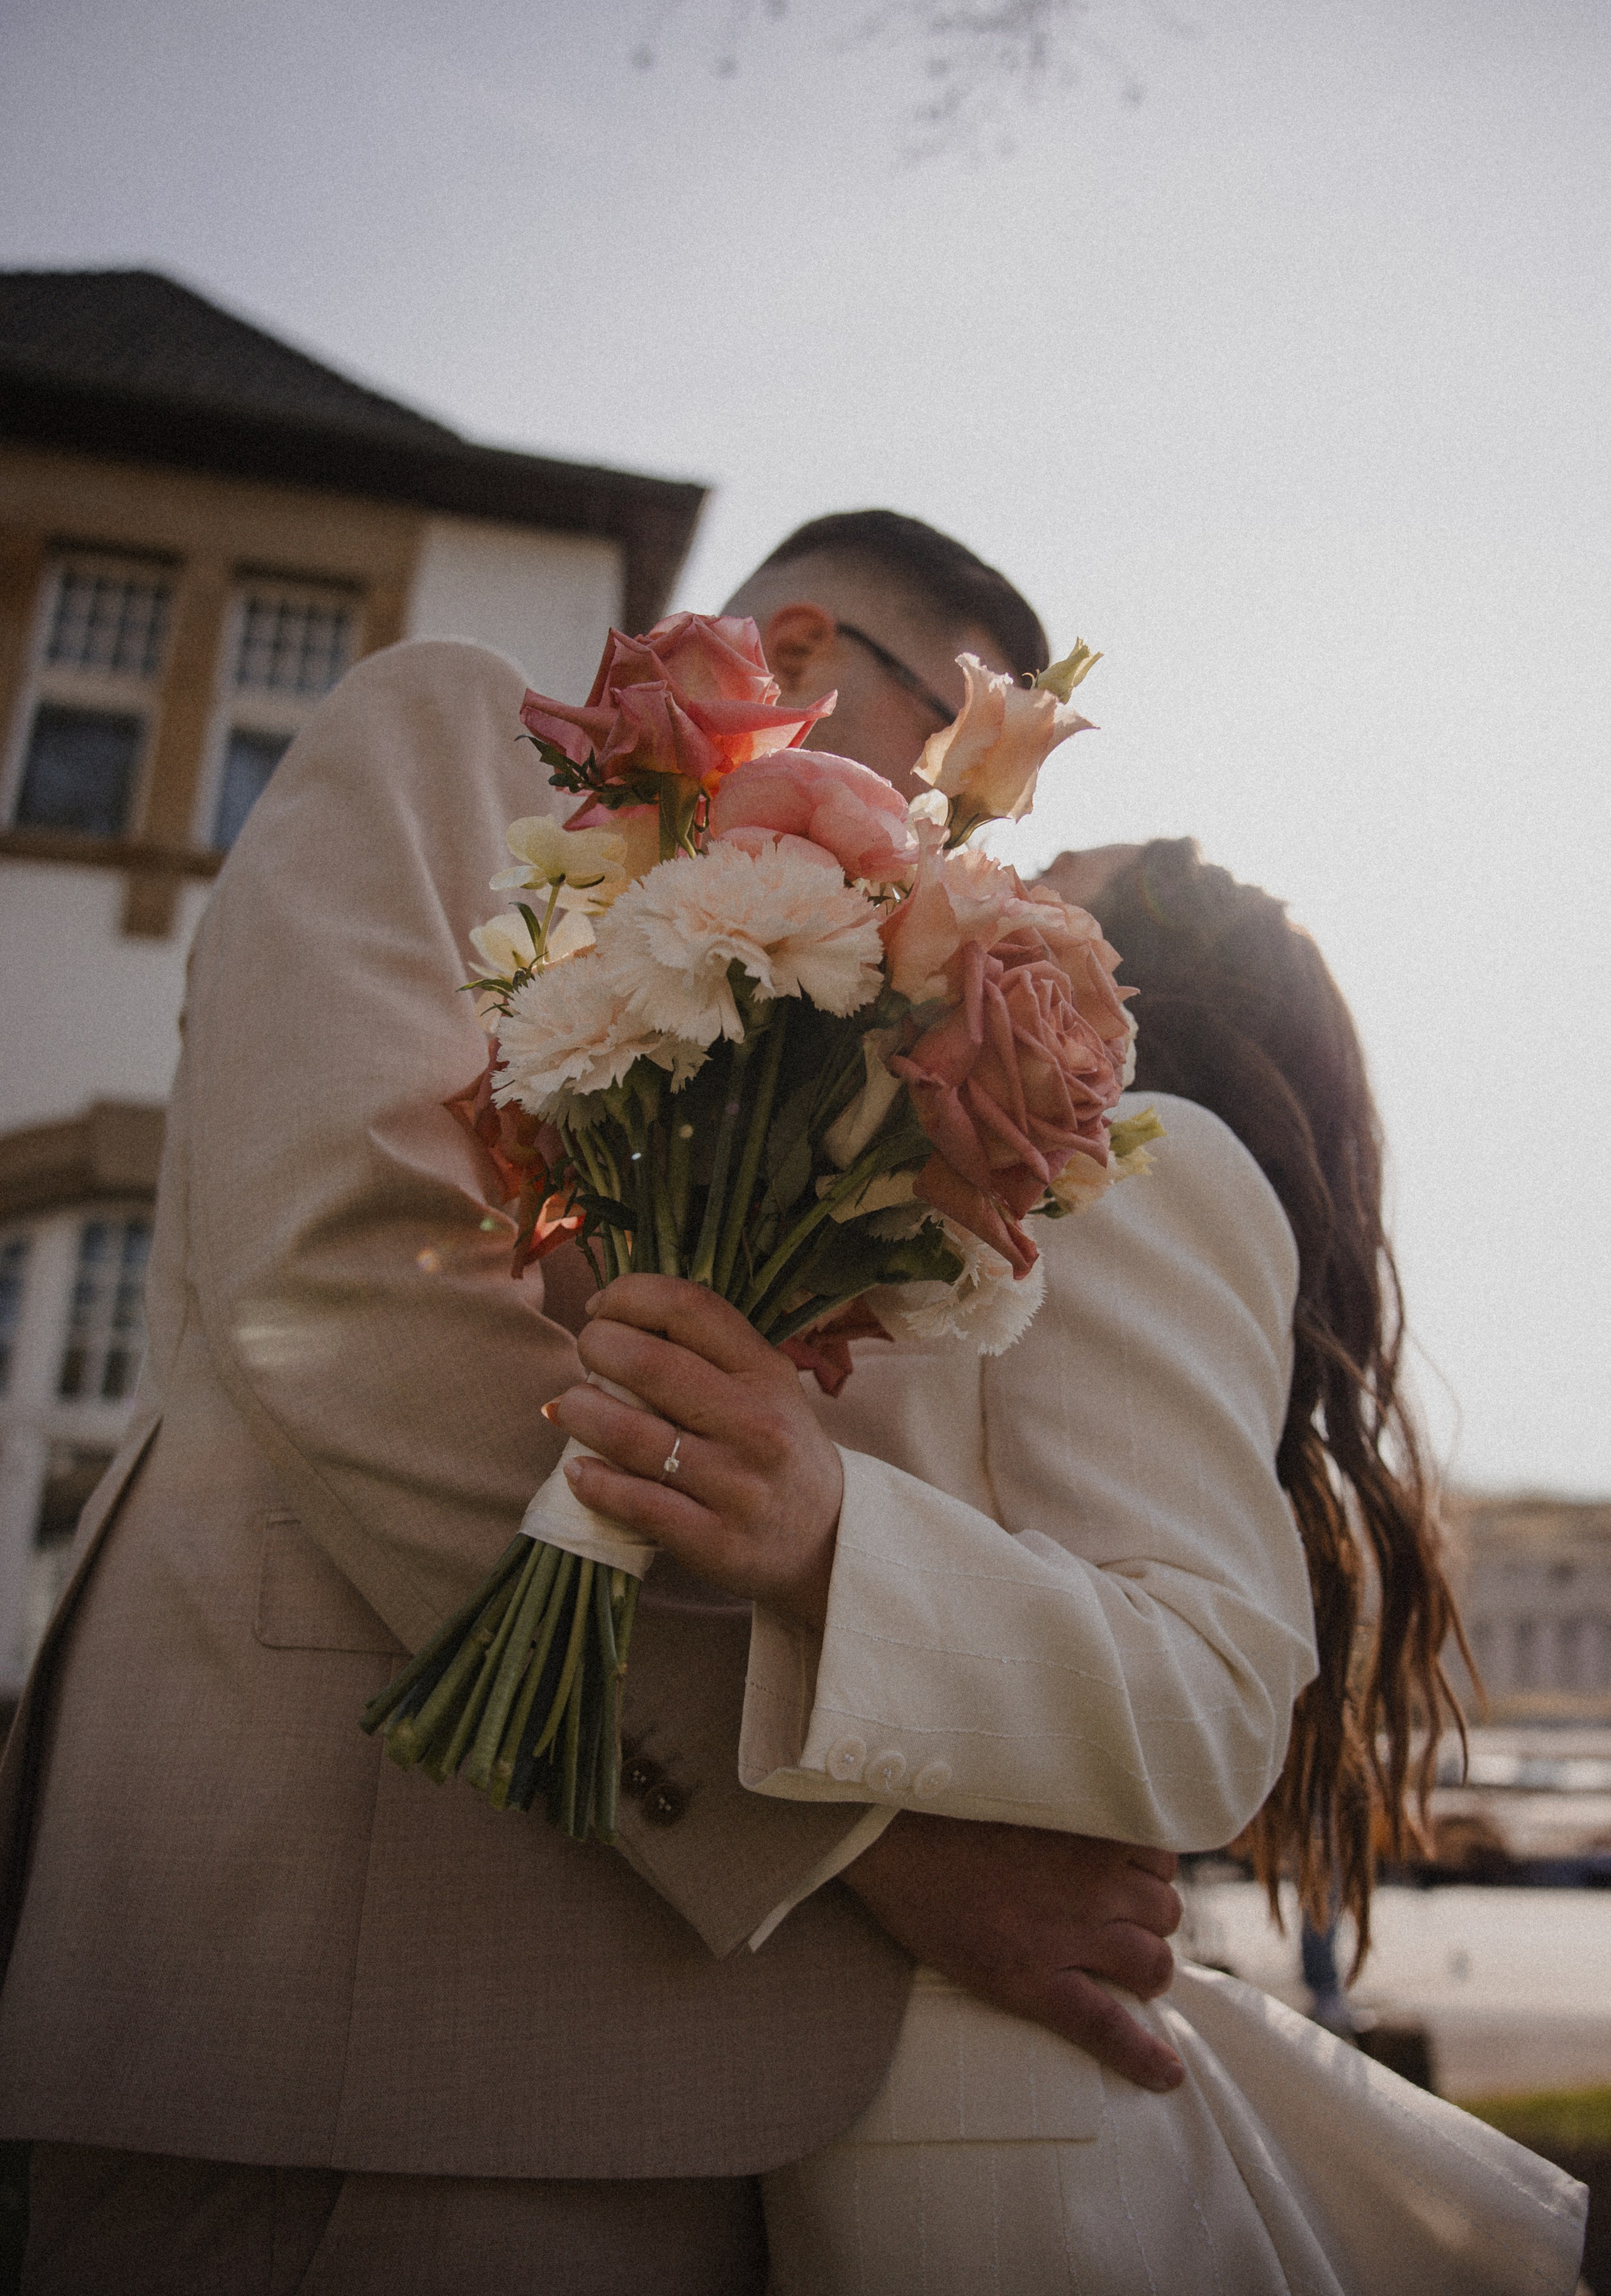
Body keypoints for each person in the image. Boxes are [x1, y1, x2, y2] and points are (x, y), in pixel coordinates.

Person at [0, 514, 1189, 2295]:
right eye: (937, 769)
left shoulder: (869, 1031)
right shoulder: (473, 736)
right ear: (792, 663)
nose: (955, 851)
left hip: (713, 2085)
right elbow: (351, 1275)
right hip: (346, 2014)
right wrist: (849, 1826)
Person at [553, 838, 1586, 2291]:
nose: (985, 888)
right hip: (750, 2068)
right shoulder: (882, 1173)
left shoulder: (1143, 1164)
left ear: (1124, 982)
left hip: (965, 2128)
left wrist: (830, 1536)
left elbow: (1216, 1693)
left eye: (1049, 883)